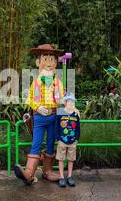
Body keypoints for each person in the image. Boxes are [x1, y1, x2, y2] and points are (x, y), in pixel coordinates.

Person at [14, 44, 64, 184]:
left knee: (50, 143)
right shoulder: (36, 83)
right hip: (40, 118)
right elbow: (30, 98)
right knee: (36, 142)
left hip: (53, 117)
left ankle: (47, 171)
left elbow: (62, 99)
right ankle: (29, 173)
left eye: (51, 59)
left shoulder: (58, 83)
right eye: (45, 59)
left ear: (55, 63)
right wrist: (37, 106)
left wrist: (59, 97)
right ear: (38, 63)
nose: (48, 63)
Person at [56, 93, 80, 187]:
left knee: (71, 159)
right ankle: (61, 177)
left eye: (72, 102)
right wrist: (58, 138)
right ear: (65, 102)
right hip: (62, 139)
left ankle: (69, 176)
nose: (71, 103)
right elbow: (56, 126)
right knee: (61, 159)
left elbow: (78, 127)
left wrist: (77, 138)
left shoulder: (75, 113)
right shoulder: (60, 111)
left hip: (73, 140)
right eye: (69, 101)